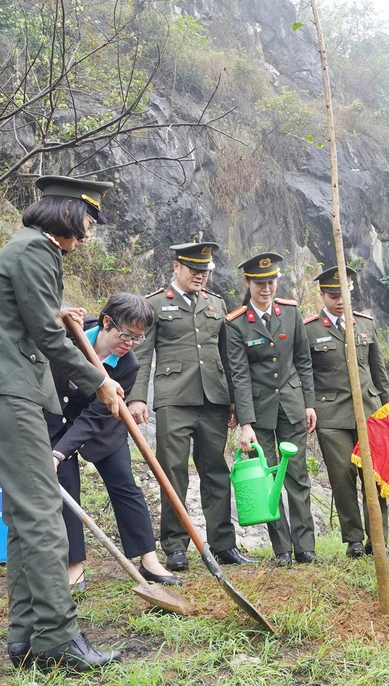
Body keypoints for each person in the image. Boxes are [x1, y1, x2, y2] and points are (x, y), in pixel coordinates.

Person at [0, 175, 123, 672]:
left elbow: (27, 315)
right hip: (6, 394)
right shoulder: (36, 252)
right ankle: (58, 639)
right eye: (89, 219)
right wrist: (100, 382)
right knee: (45, 514)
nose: (90, 231)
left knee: (25, 515)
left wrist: (54, 309)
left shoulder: (27, 250)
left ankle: (25, 639)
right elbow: (48, 337)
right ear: (69, 215)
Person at [126, 242, 252, 572]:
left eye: (205, 271)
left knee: (215, 473)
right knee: (173, 473)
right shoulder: (155, 304)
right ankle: (176, 546)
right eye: (194, 269)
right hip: (174, 399)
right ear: (176, 267)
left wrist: (235, 399)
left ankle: (224, 544)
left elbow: (227, 355)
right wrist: (137, 396)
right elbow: (142, 354)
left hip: (214, 398)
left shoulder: (216, 303)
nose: (200, 276)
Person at [48, 293, 180, 592]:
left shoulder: (127, 366)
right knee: (66, 485)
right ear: (107, 322)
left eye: (138, 339)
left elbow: (95, 416)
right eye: (126, 335)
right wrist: (57, 453)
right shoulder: (71, 331)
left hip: (102, 425)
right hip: (58, 417)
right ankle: (75, 567)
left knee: (125, 484)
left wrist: (59, 452)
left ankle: (149, 560)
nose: (130, 344)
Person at [224, 252, 318, 566]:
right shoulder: (236, 323)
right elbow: (239, 374)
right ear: (247, 283)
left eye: (271, 282)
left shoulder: (290, 312)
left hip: (292, 405)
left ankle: (306, 547)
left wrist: (308, 404)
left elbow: (303, 361)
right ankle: (282, 549)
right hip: (260, 410)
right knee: (268, 478)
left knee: (297, 475)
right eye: (260, 283)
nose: (266, 288)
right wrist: (246, 423)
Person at [303, 266, 389, 558]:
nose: (339, 300)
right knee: (342, 476)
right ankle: (354, 539)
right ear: (322, 295)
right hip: (331, 415)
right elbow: (306, 373)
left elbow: (379, 373)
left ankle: (378, 539)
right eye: (332, 295)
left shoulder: (365, 324)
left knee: (374, 476)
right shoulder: (309, 329)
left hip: (370, 412)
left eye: (344, 294)